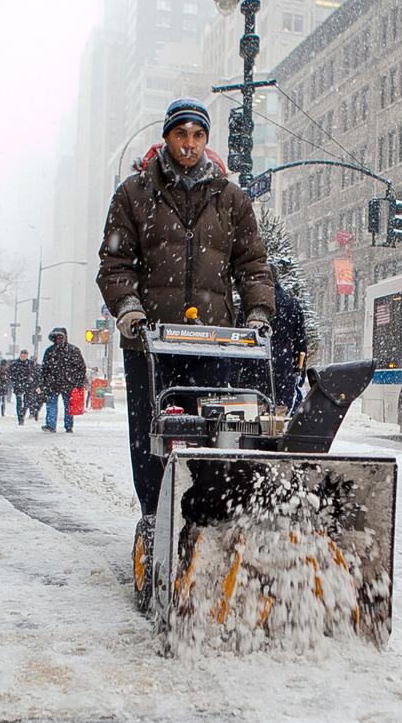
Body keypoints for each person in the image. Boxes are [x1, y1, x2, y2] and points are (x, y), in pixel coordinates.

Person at [96, 97, 273, 524]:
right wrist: (130, 310)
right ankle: (155, 516)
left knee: (213, 435)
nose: (189, 144)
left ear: (206, 140)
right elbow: (115, 264)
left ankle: (201, 518)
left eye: (197, 136)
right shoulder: (134, 194)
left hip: (213, 343)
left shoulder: (231, 198)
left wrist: (258, 314)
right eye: (181, 135)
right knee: (149, 433)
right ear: (167, 138)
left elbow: (252, 266)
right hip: (150, 342)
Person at [266, 262, 309, 411]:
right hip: (283, 366)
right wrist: (300, 372)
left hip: (256, 367)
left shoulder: (254, 306)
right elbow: (300, 343)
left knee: (254, 415)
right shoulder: (291, 304)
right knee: (280, 414)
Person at [37, 328, 86, 433]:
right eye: (56, 337)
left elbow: (81, 367)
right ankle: (51, 425)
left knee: (68, 406)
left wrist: (78, 381)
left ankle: (68, 426)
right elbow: (44, 369)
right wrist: (43, 382)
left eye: (60, 337)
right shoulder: (51, 351)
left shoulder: (72, 350)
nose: (58, 339)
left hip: (67, 383)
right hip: (54, 383)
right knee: (52, 404)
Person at [7, 349, 37, 425]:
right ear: (20, 355)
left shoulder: (30, 363)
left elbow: (34, 373)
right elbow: (10, 374)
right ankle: (20, 418)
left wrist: (32, 380)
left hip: (28, 386)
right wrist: (15, 381)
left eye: (25, 356)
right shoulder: (15, 363)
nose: (23, 357)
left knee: (27, 402)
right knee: (19, 402)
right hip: (18, 385)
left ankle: (23, 413)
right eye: (22, 355)